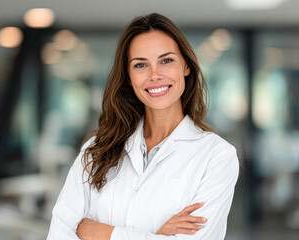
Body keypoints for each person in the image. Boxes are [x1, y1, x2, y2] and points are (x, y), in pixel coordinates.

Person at [47, 13, 239, 240]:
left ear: (186, 66)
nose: (155, 75)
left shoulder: (216, 157)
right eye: (140, 65)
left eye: (166, 60)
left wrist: (104, 233)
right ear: (128, 77)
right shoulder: (96, 150)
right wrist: (157, 235)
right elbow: (59, 234)